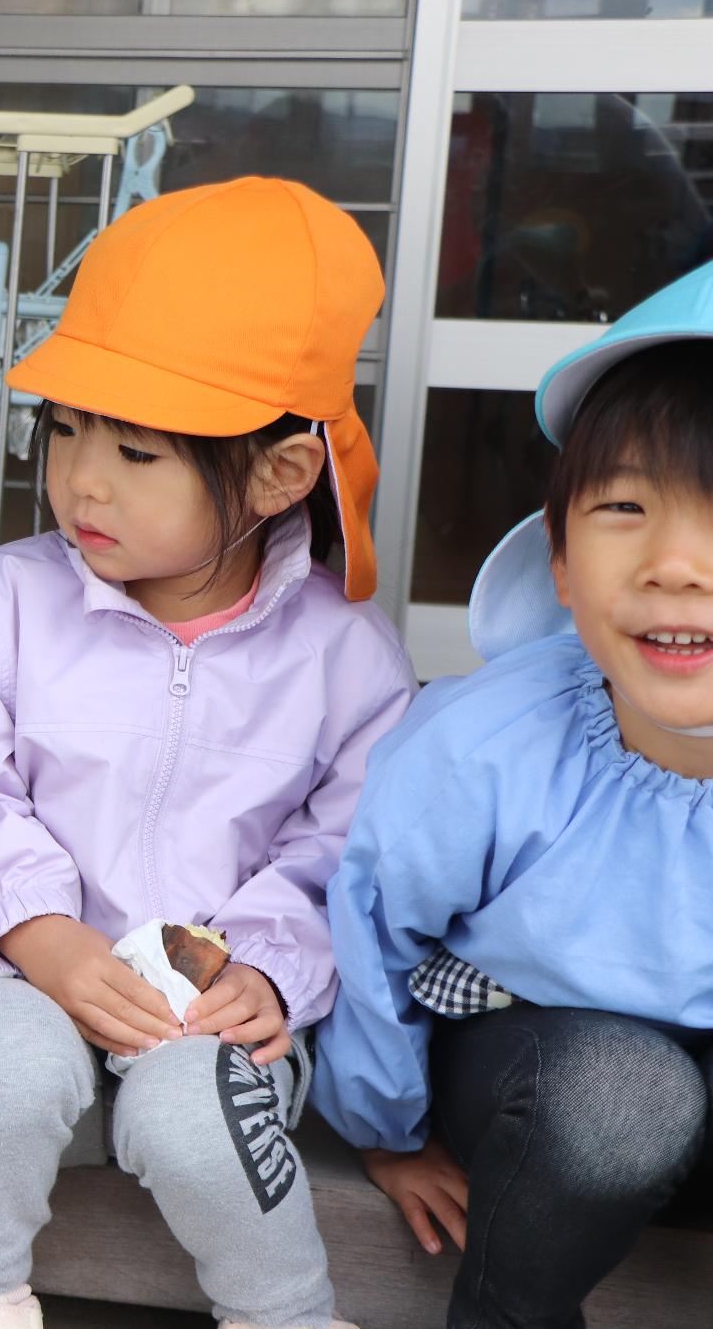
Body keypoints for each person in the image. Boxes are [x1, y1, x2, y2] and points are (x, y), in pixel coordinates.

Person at [0, 179, 415, 1329]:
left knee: (196, 1111)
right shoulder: (2, 602)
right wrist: (40, 933)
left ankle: (286, 1313)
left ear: (281, 474)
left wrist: (268, 971)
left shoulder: (345, 655)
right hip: (12, 970)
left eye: (135, 449)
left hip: (205, 1012)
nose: (81, 478)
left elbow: (341, 853)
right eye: (68, 427)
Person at [315, 262, 713, 1329]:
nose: (675, 563)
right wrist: (384, 1130)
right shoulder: (487, 743)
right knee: (623, 1093)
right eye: (624, 507)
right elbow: (373, 924)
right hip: (539, 1069)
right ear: (559, 559)